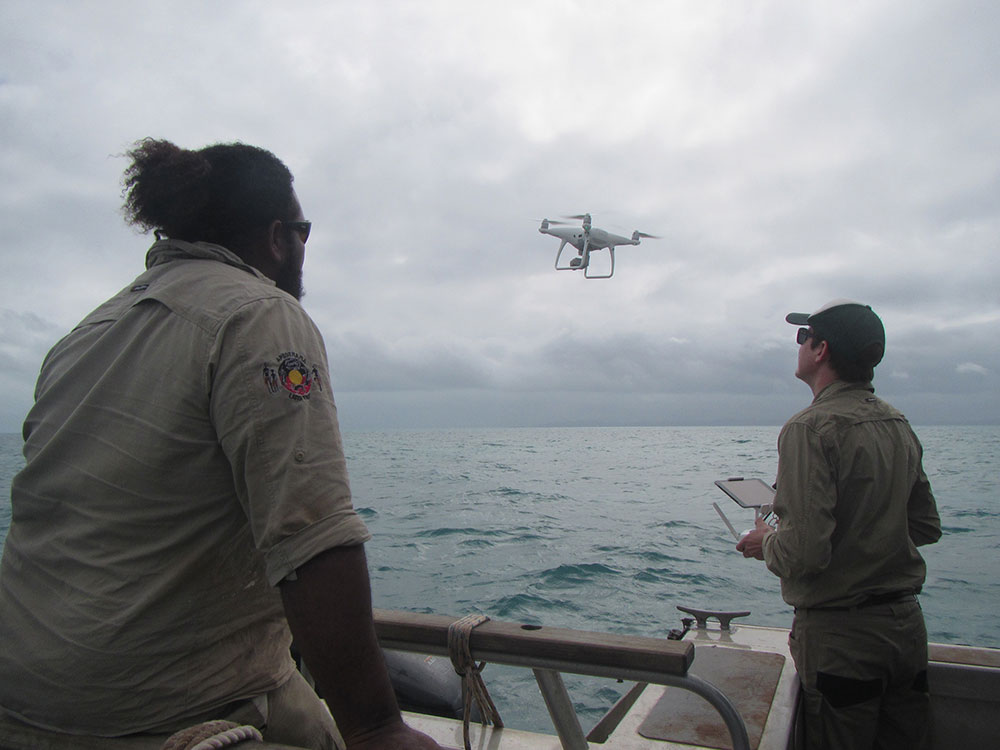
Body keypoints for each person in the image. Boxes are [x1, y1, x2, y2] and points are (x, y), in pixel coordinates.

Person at [0, 139, 443, 750]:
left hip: (22, 698)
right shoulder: (261, 314)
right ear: (277, 237)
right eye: (303, 231)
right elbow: (311, 535)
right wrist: (377, 728)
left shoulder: (83, 336)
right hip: (166, 713)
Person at [737, 299, 942, 750]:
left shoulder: (808, 429)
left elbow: (805, 554)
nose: (799, 346)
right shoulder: (898, 423)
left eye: (802, 336)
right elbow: (925, 526)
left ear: (821, 350)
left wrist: (766, 541)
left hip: (842, 641)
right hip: (906, 631)